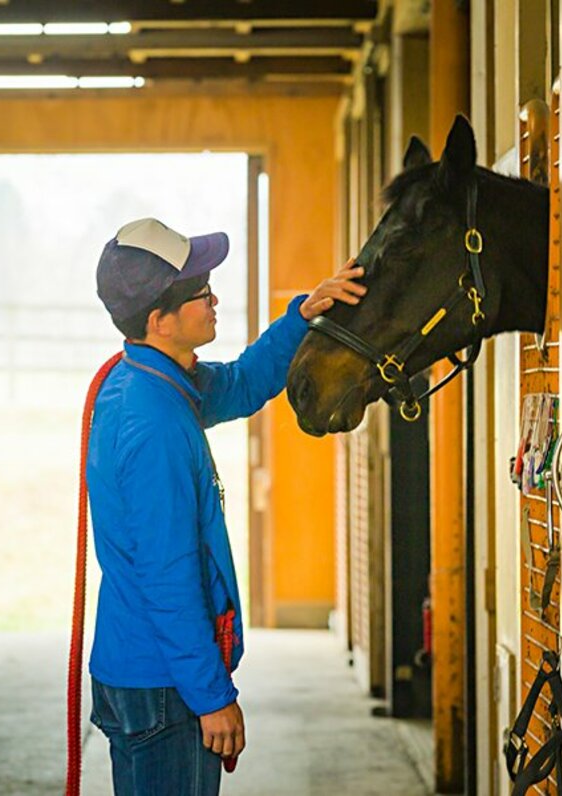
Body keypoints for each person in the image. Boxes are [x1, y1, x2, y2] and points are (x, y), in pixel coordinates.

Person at [86, 217, 365, 795]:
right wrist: (212, 697)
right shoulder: (154, 421)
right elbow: (167, 575)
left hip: (145, 670)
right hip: (164, 684)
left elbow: (240, 383)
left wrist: (303, 315)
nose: (215, 299)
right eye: (199, 292)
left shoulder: (152, 380)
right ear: (159, 320)